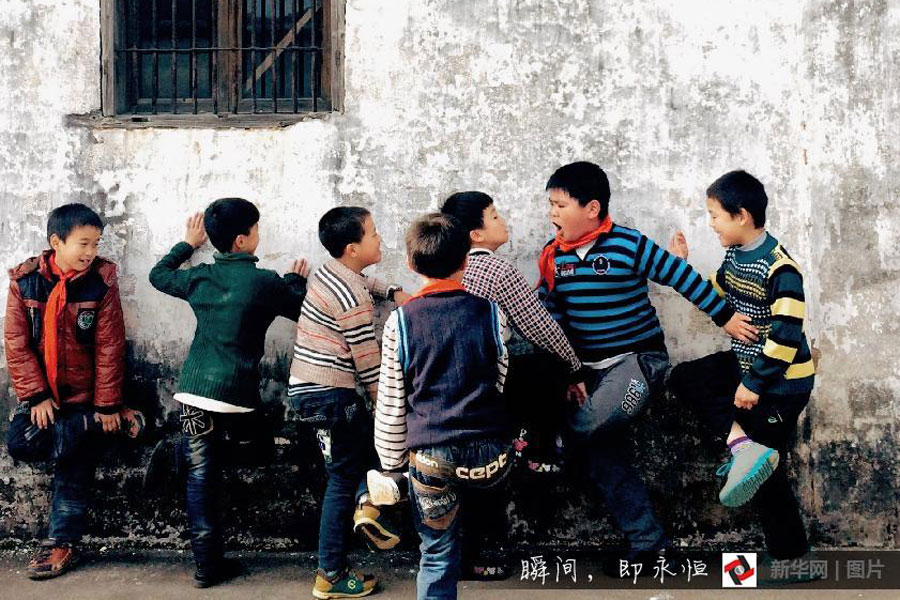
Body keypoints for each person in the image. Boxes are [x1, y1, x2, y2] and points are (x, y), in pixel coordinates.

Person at [149, 198, 309, 587]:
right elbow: (296, 304)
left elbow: (159, 275)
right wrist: (295, 280)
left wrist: (186, 244)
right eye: (255, 230)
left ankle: (206, 566)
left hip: (192, 393)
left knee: (200, 478)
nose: (258, 235)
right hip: (237, 397)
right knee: (261, 448)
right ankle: (188, 454)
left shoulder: (200, 277)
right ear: (242, 240)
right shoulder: (263, 281)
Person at [668, 170, 815, 559]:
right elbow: (716, 294)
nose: (711, 223)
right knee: (685, 378)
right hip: (746, 364)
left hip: (781, 383)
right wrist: (681, 267)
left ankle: (794, 559)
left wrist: (753, 384)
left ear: (742, 216)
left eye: (715, 215)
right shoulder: (735, 255)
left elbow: (785, 336)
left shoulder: (781, 269)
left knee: (766, 476)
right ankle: (741, 444)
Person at [375, 213, 511, 600]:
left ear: (411, 264)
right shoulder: (491, 312)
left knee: (436, 554)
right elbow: (499, 376)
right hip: (489, 456)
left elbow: (391, 401)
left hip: (432, 456)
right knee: (482, 525)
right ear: (467, 261)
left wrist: (391, 464)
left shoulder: (400, 322)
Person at [5, 202, 144, 579]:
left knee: (75, 464)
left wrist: (106, 404)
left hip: (87, 399)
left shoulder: (101, 281)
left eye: (96, 244)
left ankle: (60, 545)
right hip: (46, 399)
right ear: (56, 241)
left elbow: (110, 345)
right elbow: (16, 343)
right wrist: (35, 395)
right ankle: (102, 427)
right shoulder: (25, 281)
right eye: (83, 243)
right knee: (20, 441)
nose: (90, 252)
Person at [288, 206, 408, 599]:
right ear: (353, 248)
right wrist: (383, 405)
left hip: (307, 390)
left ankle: (366, 506)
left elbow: (361, 283)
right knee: (348, 471)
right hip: (334, 392)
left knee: (350, 458)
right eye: (373, 234)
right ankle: (331, 574)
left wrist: (389, 291)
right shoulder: (352, 296)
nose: (380, 239)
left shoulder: (330, 273)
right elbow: (368, 360)